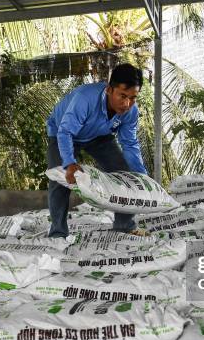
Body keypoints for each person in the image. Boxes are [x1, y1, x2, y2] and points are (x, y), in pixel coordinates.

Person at [46, 63, 150, 238]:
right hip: (62, 134)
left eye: (133, 98)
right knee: (62, 179)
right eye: (122, 96)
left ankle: (125, 225)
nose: (127, 104)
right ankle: (58, 233)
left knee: (125, 174)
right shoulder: (84, 98)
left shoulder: (130, 112)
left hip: (100, 137)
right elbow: (66, 132)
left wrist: (140, 174)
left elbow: (129, 144)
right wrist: (69, 163)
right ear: (109, 90)